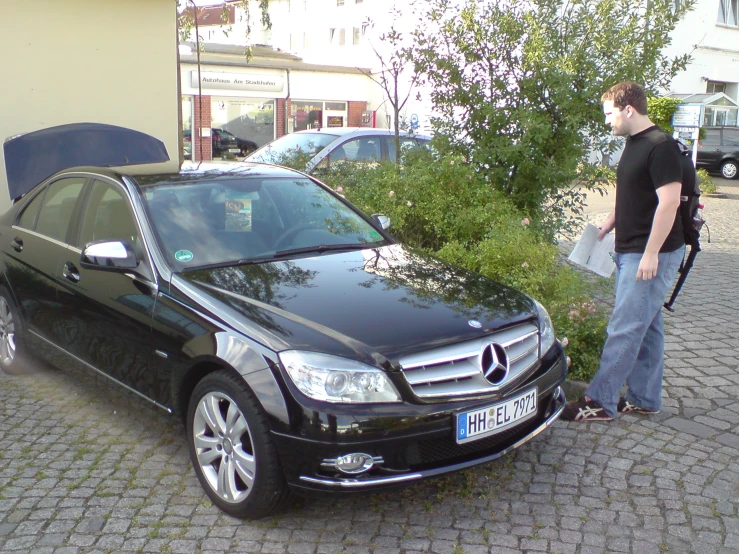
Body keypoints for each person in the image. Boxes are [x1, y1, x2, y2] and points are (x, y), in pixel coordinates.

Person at [561, 82, 686, 422]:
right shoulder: (633, 144)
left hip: (651, 253)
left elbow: (670, 202)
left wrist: (650, 254)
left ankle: (599, 400)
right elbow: (633, 192)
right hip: (631, 247)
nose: (607, 122)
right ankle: (644, 398)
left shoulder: (661, 147)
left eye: (609, 114)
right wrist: (609, 224)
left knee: (625, 326)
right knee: (647, 325)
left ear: (627, 109)